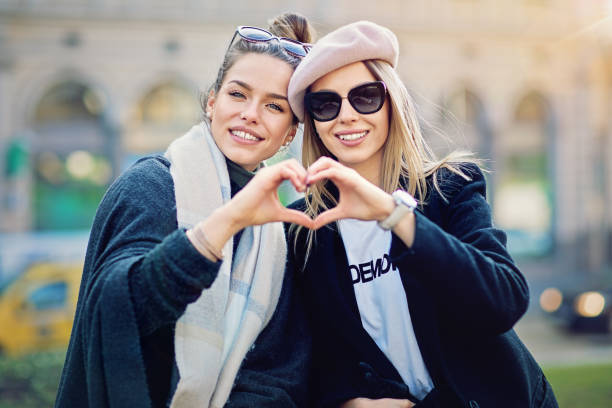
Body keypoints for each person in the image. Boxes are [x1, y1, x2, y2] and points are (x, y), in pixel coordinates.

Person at [287, 21, 558, 408]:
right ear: (313, 121)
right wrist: (346, 401)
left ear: (391, 102)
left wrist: (393, 213)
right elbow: (316, 354)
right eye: (326, 104)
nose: (346, 115)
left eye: (365, 97)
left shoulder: (451, 186)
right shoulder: (303, 230)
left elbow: (504, 300)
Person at [55, 12, 315, 408]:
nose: (250, 114)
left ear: (289, 134)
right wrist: (225, 224)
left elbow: (276, 373)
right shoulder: (151, 185)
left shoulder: (275, 235)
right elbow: (116, 308)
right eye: (238, 94)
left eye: (275, 107)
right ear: (212, 101)